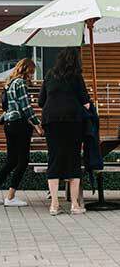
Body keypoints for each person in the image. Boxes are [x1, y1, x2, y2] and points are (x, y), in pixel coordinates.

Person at [38, 48, 90, 215]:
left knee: (54, 158)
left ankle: (54, 205)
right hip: (72, 120)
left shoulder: (50, 75)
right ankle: (74, 205)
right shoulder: (76, 76)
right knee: (73, 158)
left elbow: (41, 101)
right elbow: (85, 102)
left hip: (51, 120)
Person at [0, 58, 43, 207]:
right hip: (19, 125)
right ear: (27, 70)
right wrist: (37, 125)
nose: (32, 75)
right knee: (23, 161)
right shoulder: (20, 83)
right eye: (32, 72)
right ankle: (10, 197)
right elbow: (26, 107)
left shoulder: (9, 83)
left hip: (9, 124)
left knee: (11, 161)